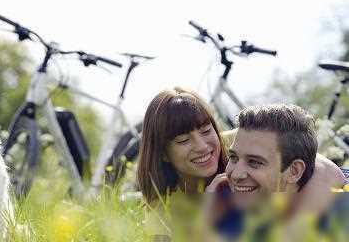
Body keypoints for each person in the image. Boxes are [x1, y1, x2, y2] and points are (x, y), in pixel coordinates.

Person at [136, 88, 346, 240]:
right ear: (163, 153)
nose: (202, 146)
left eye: (206, 130)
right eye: (183, 140)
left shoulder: (237, 143)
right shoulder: (163, 207)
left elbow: (328, 171)